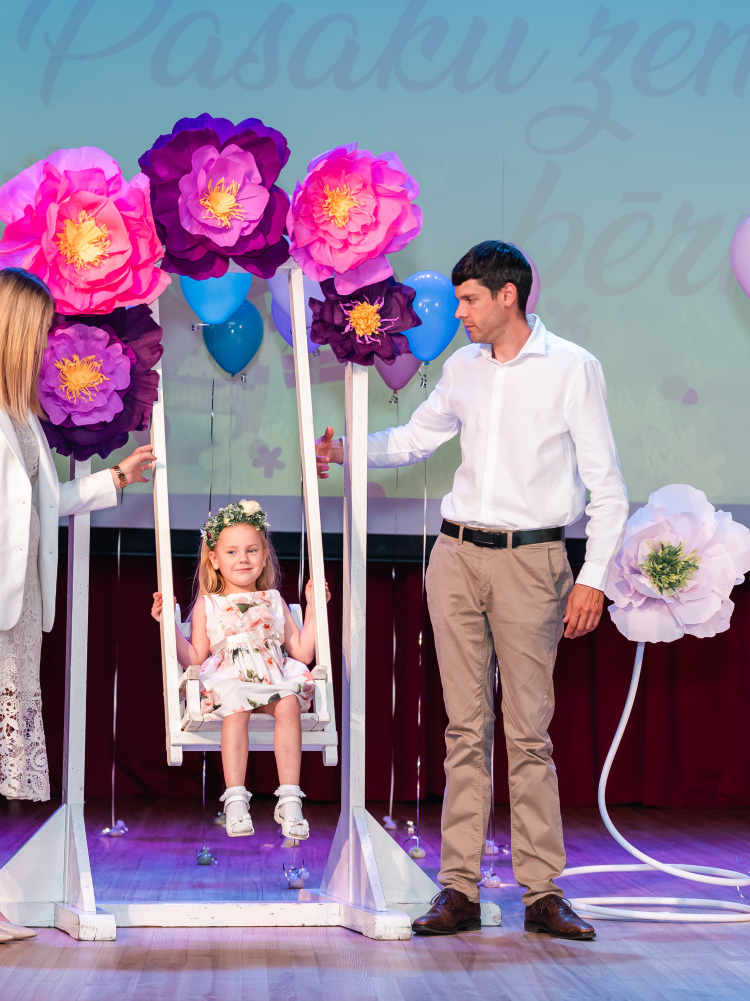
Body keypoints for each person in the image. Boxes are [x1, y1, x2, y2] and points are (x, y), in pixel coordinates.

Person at [316, 241, 627, 941]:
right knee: (463, 727)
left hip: (532, 559)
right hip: (456, 556)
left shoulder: (573, 367)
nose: (458, 313)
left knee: (527, 731)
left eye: (468, 300)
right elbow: (416, 439)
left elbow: (607, 486)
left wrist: (593, 578)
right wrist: (346, 450)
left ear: (507, 296)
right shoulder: (462, 367)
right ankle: (458, 887)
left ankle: (542, 891)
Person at [0, 267, 155, 943]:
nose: (45, 346)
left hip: (15, 607)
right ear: (11, 324)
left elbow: (40, 508)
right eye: (40, 332)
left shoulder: (16, 410)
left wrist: (114, 478)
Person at [150, 499, 328, 840]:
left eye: (251, 550)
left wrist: (313, 606)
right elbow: (195, 658)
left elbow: (303, 652)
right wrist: (167, 625)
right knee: (236, 706)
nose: (242, 558)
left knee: (289, 703)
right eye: (231, 552)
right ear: (214, 560)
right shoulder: (208, 604)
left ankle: (290, 799)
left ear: (264, 555)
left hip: (272, 679)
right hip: (231, 681)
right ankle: (235, 800)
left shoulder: (273, 599)